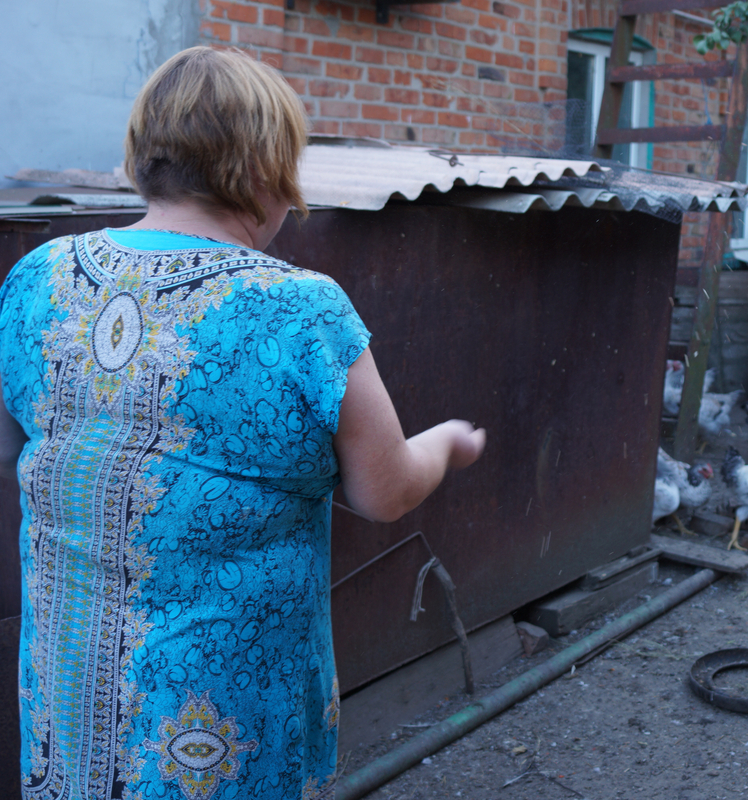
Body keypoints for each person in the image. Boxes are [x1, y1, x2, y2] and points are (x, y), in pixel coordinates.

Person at [0, 46, 485, 799]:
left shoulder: (39, 275)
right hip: (221, 719)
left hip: (69, 700)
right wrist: (446, 444)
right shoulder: (301, 309)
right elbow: (384, 492)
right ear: (263, 170)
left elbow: (13, 446)